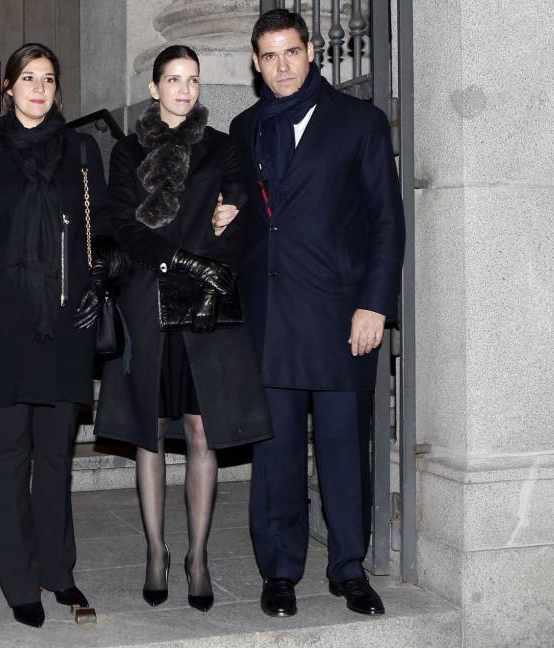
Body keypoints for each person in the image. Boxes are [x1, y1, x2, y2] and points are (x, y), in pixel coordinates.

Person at [229, 9, 405, 618]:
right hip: (271, 315)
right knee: (274, 453)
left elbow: (386, 220)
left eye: (291, 52)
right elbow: (254, 219)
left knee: (341, 449)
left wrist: (375, 304)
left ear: (312, 53)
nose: (281, 66)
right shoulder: (244, 126)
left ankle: (349, 569)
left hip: (339, 316)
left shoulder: (359, 123)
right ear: (256, 62)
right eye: (269, 55)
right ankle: (278, 572)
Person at [95, 45, 272, 613]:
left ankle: (197, 555)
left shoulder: (222, 147)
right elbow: (121, 224)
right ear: (153, 87)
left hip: (206, 301)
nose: (184, 89)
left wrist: (222, 235)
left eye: (193, 80)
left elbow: (243, 211)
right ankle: (155, 551)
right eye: (173, 79)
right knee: (152, 427)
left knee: (200, 429)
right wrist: (175, 262)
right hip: (147, 297)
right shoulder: (126, 151)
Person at [0, 42, 109, 629]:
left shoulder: (83, 150)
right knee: (9, 455)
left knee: (56, 458)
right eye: (28, 78)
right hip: (5, 323)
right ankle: (18, 579)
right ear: (9, 88)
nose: (39, 88)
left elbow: (103, 234)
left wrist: (100, 282)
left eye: (48, 78)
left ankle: (59, 570)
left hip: (68, 322)